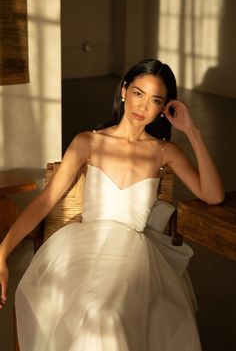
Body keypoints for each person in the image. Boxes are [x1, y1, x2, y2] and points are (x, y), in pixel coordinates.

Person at [0, 59, 224, 351]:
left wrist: (192, 131)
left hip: (131, 254)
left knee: (103, 314)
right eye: (138, 93)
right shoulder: (88, 142)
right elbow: (45, 201)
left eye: (155, 100)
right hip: (80, 249)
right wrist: (2, 254)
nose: (143, 106)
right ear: (124, 91)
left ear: (163, 108)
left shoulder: (164, 151)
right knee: (91, 311)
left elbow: (213, 195)